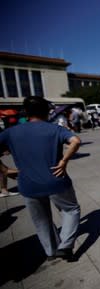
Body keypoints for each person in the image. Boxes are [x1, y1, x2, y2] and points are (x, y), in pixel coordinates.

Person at [0, 96, 81, 261]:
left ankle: (50, 251)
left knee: (41, 219)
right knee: (71, 209)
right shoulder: (55, 129)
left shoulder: (10, 132)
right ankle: (65, 245)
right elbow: (76, 141)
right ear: (46, 111)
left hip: (28, 184)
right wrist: (64, 161)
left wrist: (5, 169)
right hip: (56, 180)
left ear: (26, 113)